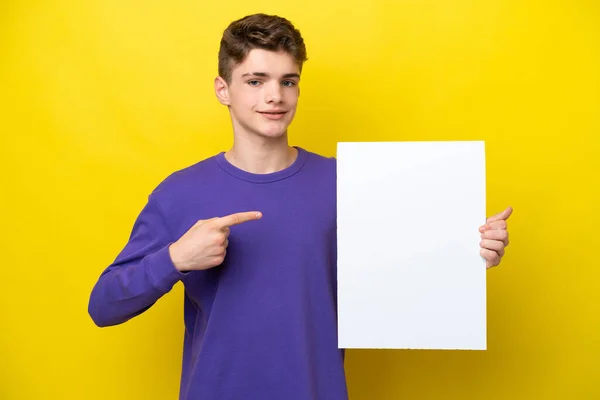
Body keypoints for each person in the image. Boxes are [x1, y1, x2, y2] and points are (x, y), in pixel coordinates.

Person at [88, 13, 512, 400]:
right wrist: (176, 258)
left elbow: (403, 271)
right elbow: (103, 306)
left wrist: (468, 254)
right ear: (223, 89)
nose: (275, 96)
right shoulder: (179, 194)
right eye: (255, 81)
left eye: (288, 81)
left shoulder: (349, 184)